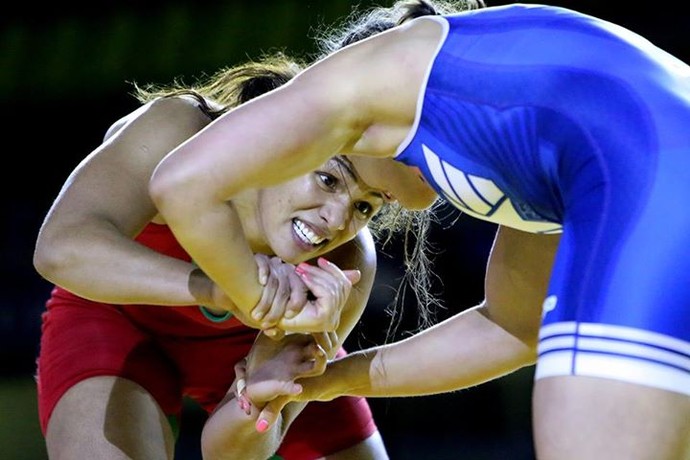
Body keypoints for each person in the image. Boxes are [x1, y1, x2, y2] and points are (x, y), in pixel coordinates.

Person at [147, 0, 690, 459]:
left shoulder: (366, 76)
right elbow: (510, 328)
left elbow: (181, 183)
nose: (339, 217)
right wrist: (332, 380)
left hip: (654, 167)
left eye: (360, 196)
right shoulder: (525, 143)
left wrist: (263, 298)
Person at [31, 52, 415, 459]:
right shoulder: (182, 132)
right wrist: (216, 287)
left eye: (364, 207)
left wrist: (257, 397)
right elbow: (59, 248)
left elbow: (230, 454)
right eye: (328, 179)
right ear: (288, 143)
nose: (336, 220)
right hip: (116, 317)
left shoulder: (345, 265)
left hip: (246, 345)